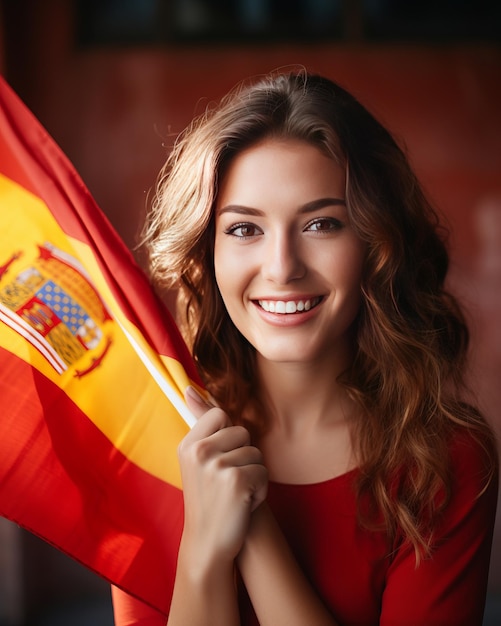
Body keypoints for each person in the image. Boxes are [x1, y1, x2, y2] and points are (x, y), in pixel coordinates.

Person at [111, 70, 499, 625]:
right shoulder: (149, 443)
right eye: (245, 229)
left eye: (321, 224)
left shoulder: (443, 462)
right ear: (206, 251)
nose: (283, 268)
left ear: (376, 243)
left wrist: (255, 528)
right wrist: (204, 551)